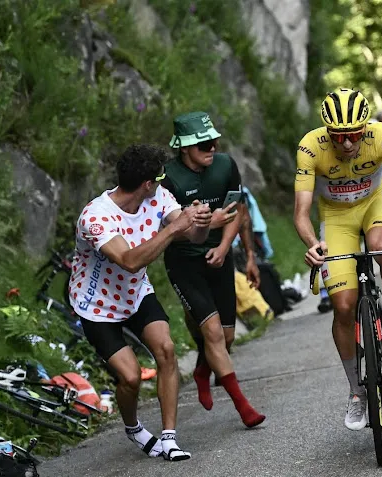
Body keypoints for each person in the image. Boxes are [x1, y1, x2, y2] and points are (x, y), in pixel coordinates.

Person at [68, 144, 212, 461]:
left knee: (167, 350)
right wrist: (174, 228)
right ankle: (133, 427)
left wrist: (199, 221)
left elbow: (192, 234)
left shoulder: (158, 197)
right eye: (158, 180)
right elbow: (130, 261)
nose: (161, 186)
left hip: (135, 293)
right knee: (130, 377)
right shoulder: (96, 218)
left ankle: (170, 438)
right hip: (96, 304)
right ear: (146, 183)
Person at [294, 88, 382, 431]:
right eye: (339, 136)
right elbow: (301, 212)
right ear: (327, 133)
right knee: (344, 306)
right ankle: (356, 392)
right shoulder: (310, 146)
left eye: (354, 135)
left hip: (374, 204)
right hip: (335, 218)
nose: (347, 144)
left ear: (365, 127)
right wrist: (311, 243)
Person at [160, 111, 265, 428]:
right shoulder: (168, 178)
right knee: (214, 334)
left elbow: (239, 210)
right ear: (184, 148)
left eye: (214, 141)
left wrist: (236, 252)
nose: (212, 147)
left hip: (219, 256)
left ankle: (203, 370)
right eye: (204, 144)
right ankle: (244, 408)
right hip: (185, 263)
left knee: (228, 338)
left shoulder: (224, 165)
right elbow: (167, 228)